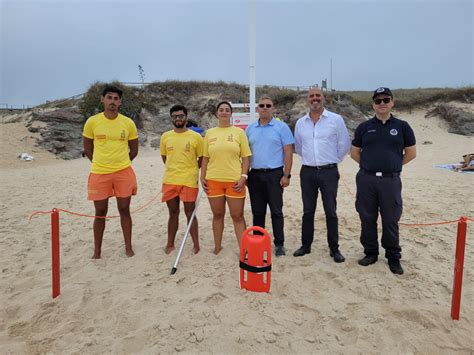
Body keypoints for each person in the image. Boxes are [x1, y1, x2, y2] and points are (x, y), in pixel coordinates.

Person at [351, 87, 416, 275]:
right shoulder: (364, 127)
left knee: (390, 219)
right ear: (373, 104)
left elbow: (411, 153)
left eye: (385, 100)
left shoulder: (402, 127)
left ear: (392, 102)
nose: (382, 104)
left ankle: (393, 257)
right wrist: (370, 166)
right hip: (366, 180)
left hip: (391, 181)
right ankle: (370, 253)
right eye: (378, 101)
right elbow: (355, 153)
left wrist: (394, 166)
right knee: (367, 217)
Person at [293, 87, 351, 263]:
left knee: (330, 211)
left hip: (329, 172)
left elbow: (344, 145)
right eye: (311, 96)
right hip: (308, 171)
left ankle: (334, 249)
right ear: (307, 100)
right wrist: (313, 161)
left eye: (318, 95)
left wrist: (331, 161)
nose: (315, 99)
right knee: (308, 211)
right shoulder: (300, 123)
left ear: (323, 98)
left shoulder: (336, 120)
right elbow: (298, 147)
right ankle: (306, 246)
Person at [83, 85, 139, 258]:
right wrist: (101, 163)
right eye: (109, 98)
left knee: (124, 209)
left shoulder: (128, 123)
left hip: (123, 172)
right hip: (99, 173)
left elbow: (134, 150)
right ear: (102, 99)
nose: (112, 101)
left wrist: (121, 163)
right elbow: (88, 149)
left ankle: (128, 247)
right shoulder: (92, 122)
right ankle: (97, 251)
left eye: (116, 99)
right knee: (100, 212)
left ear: (120, 102)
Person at [200, 101, 252, 254]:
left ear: (231, 114)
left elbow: (246, 157)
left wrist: (243, 177)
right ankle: (217, 247)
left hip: (234, 181)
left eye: (227, 110)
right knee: (217, 214)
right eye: (221, 110)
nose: (223, 112)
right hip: (213, 180)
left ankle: (244, 250)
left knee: (237, 215)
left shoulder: (239, 133)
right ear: (217, 113)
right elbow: (205, 158)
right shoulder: (209, 133)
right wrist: (202, 176)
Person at [245, 96, 294, 256]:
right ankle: (258, 242)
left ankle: (279, 244)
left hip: (275, 175)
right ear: (257, 109)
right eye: (261, 105)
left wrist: (286, 175)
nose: (265, 108)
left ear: (273, 108)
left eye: (268, 105)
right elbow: (244, 154)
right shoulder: (250, 129)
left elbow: (288, 151)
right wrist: (245, 175)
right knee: (257, 212)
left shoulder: (281, 127)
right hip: (255, 175)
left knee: (276, 211)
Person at [160, 105, 203, 255]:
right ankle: (170, 244)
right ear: (171, 118)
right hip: (170, 180)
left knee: (190, 212)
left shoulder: (196, 137)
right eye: (175, 116)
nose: (178, 119)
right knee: (173, 212)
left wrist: (191, 170)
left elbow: (201, 158)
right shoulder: (165, 136)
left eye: (181, 116)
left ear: (186, 116)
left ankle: (196, 245)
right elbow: (165, 158)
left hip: (189, 180)